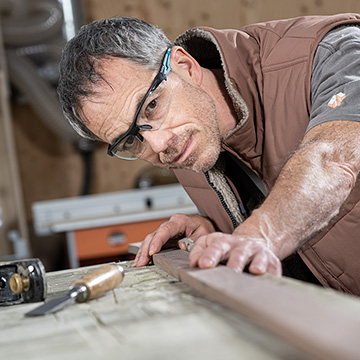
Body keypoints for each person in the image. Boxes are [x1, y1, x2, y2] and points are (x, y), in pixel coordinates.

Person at [58, 14, 360, 295]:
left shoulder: (333, 52)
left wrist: (257, 235)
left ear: (184, 66)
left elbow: (331, 159)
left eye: (151, 106)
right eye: (129, 140)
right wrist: (219, 230)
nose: (160, 144)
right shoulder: (186, 139)